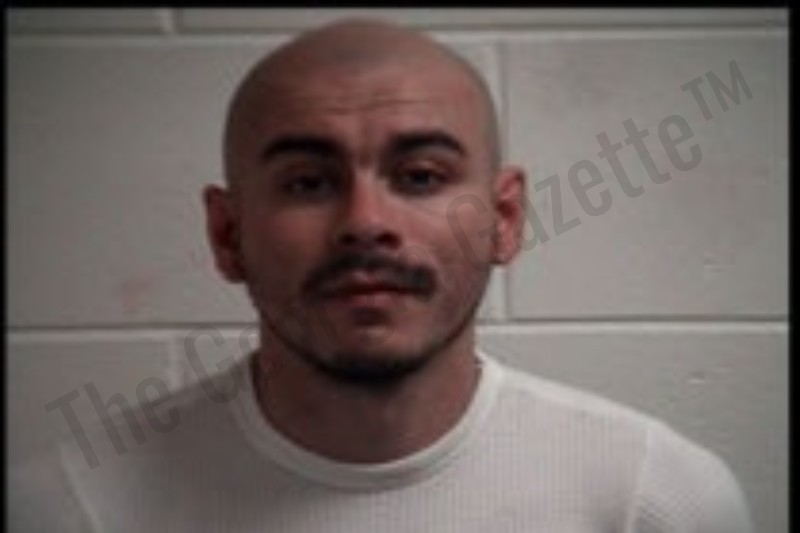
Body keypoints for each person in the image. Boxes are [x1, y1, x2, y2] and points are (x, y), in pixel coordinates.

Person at [10, 18, 752, 532]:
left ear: (504, 218)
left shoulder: (656, 499)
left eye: (421, 176)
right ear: (227, 234)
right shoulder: (70, 508)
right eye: (308, 182)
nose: (365, 222)